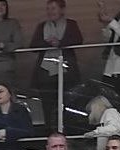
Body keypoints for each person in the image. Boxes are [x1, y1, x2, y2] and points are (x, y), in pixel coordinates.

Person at [30, 0, 83, 130]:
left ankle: (68, 137)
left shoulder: (71, 24)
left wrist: (60, 42)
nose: (50, 12)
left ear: (62, 10)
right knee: (48, 108)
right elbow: (33, 46)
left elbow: (78, 40)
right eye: (48, 9)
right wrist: (48, 43)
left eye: (53, 8)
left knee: (68, 106)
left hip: (66, 73)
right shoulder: (42, 26)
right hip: (45, 74)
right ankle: (51, 136)